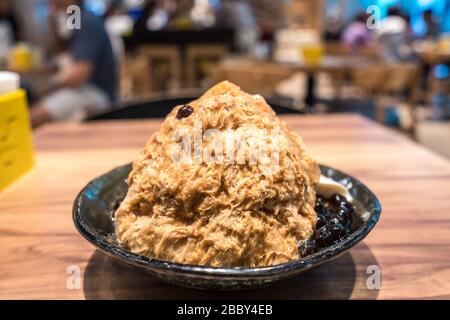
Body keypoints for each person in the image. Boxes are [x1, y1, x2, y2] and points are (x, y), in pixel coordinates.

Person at [31, 0, 117, 128]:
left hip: (96, 93)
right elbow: (67, 51)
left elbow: (81, 73)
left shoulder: (87, 22)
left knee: (33, 117)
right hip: (83, 88)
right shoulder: (76, 17)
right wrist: (53, 23)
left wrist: (52, 87)